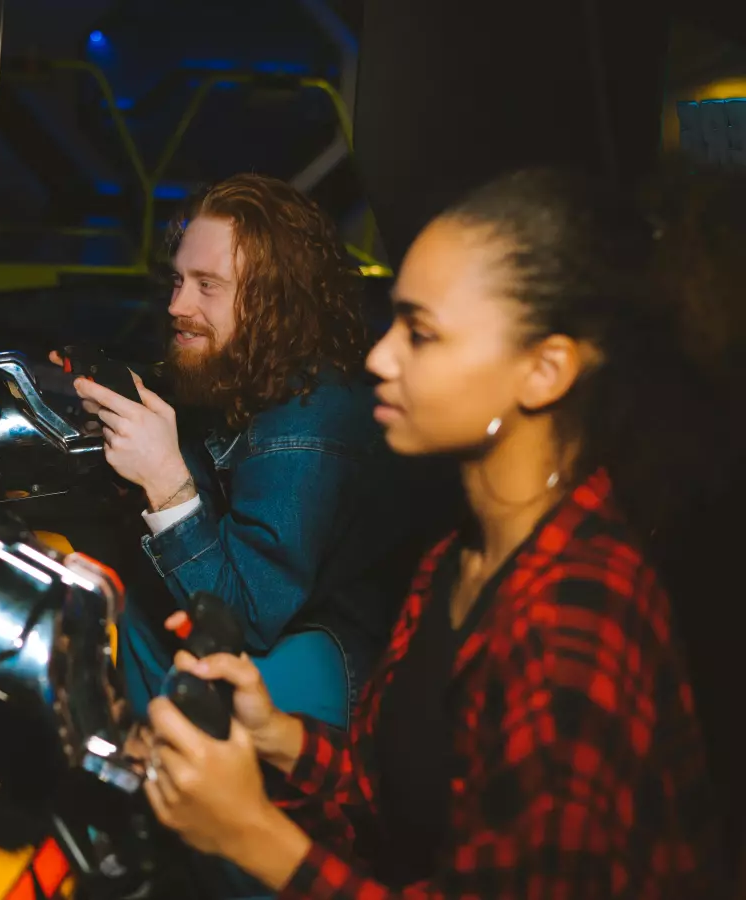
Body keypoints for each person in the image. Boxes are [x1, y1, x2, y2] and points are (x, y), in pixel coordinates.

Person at [135, 168, 724, 898]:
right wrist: (276, 736)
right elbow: (399, 798)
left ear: (542, 373)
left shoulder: (575, 613)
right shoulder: (462, 558)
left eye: (421, 333)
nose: (380, 358)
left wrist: (252, 834)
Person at [56, 173, 440, 731]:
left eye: (207, 285)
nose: (176, 305)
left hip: (335, 656)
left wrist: (164, 478)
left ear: (274, 302)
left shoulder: (308, 422)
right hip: (280, 627)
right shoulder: (234, 375)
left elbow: (243, 618)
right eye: (178, 280)